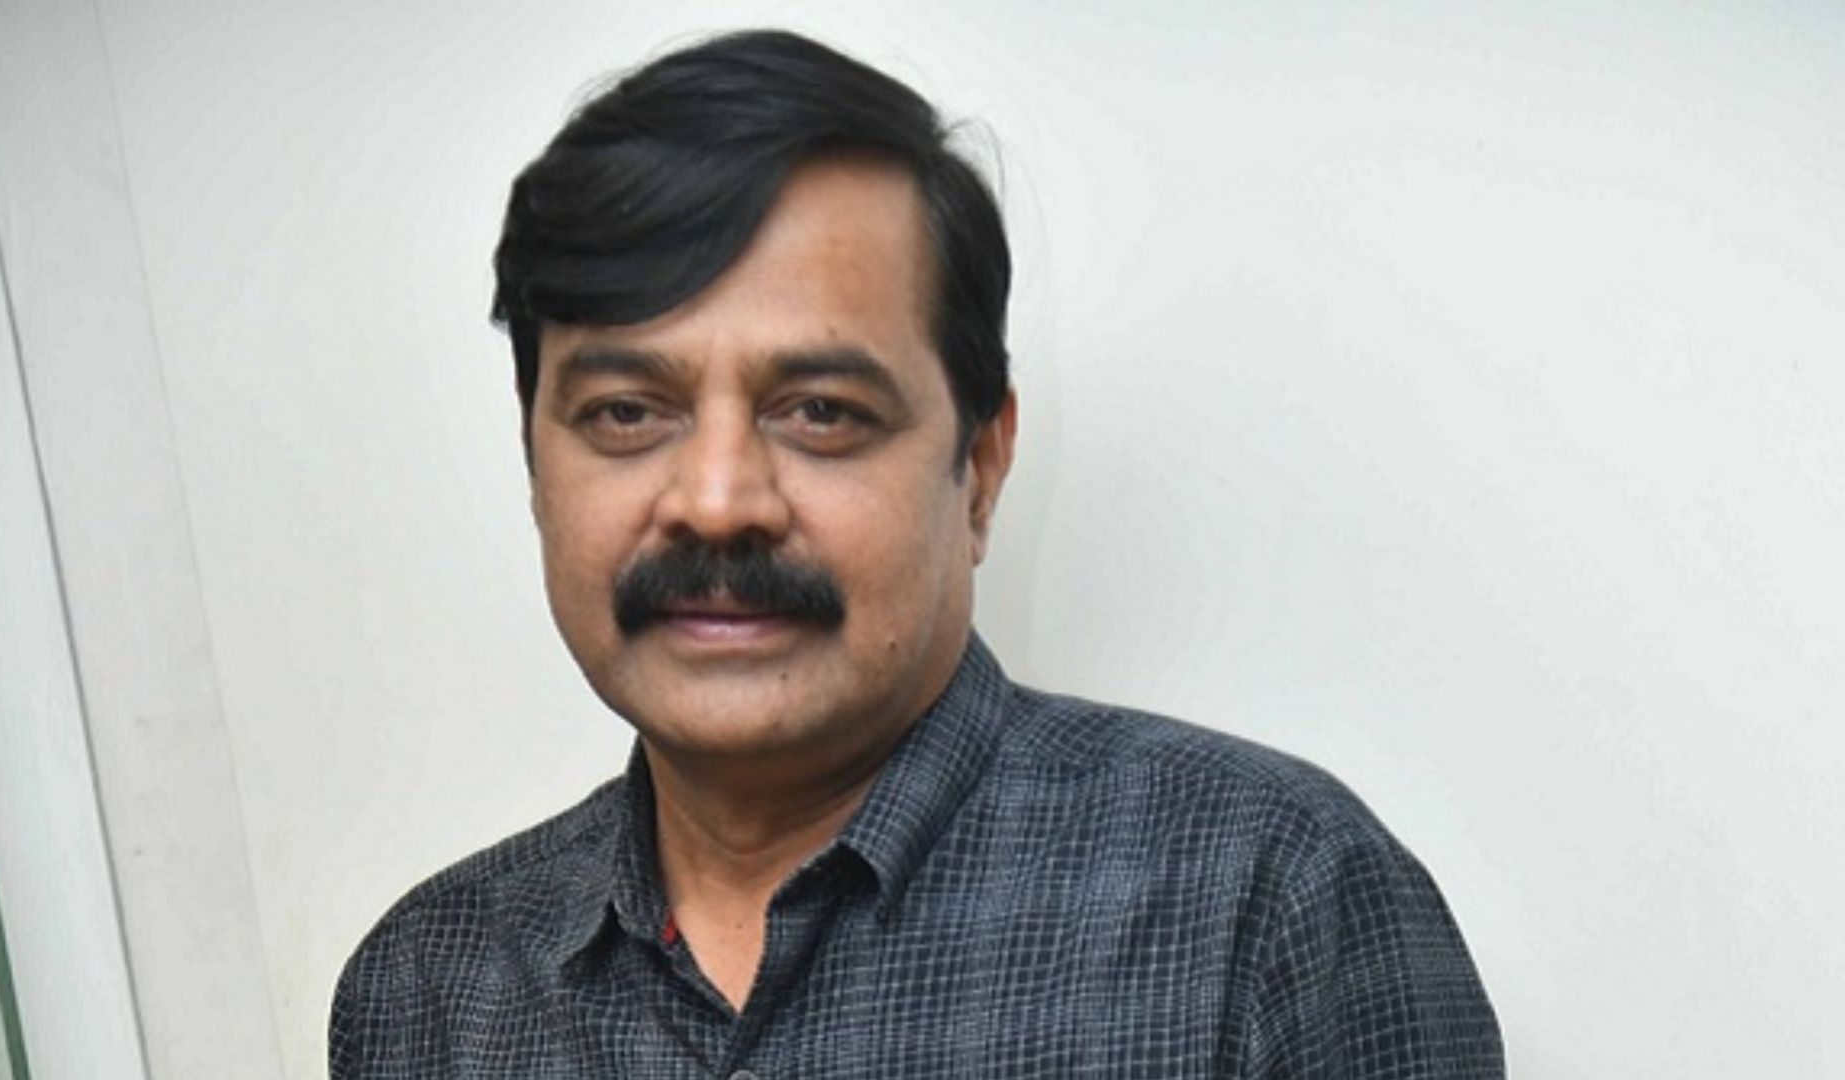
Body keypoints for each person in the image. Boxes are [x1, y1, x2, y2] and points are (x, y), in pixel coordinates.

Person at [329, 29, 1503, 1078]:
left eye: (821, 412)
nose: (718, 502)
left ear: (979, 464)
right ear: (536, 463)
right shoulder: (428, 992)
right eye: (627, 413)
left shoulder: (1267, 901)